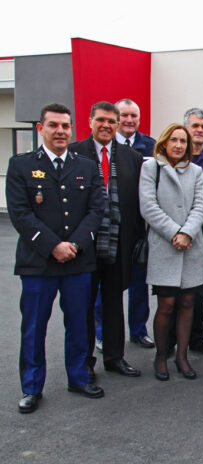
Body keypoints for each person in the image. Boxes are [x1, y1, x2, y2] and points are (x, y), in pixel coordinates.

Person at [7, 103, 106, 413]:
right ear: (41, 129)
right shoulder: (21, 165)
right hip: (38, 263)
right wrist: (53, 246)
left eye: (65, 126)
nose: (60, 131)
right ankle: (32, 387)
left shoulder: (87, 167)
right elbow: (20, 214)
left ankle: (78, 377)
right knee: (34, 327)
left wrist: (73, 244)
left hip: (77, 261)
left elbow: (96, 211)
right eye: (53, 125)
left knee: (78, 324)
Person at [69, 101, 144, 380]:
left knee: (113, 303)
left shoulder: (131, 158)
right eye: (100, 120)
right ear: (89, 121)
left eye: (111, 121)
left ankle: (115, 358)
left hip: (117, 244)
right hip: (83, 246)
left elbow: (137, 204)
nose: (106, 125)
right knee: (84, 306)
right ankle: (85, 361)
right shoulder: (74, 153)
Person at [139, 123, 203, 380]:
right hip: (165, 246)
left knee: (188, 302)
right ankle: (161, 355)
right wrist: (174, 233)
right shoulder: (150, 168)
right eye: (174, 140)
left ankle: (182, 356)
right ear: (164, 143)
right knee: (166, 305)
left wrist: (187, 232)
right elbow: (148, 206)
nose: (178, 145)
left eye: (183, 141)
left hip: (191, 246)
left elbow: (200, 205)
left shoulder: (196, 171)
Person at [166, 108, 203, 357]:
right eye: (195, 126)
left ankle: (196, 338)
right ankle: (168, 341)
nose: (199, 130)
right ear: (185, 129)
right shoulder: (170, 162)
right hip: (173, 236)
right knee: (171, 293)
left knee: (196, 292)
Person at [111, 98, 155, 349]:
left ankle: (138, 330)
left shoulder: (150, 146)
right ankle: (104, 332)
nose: (129, 120)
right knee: (108, 285)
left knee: (139, 283)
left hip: (140, 226)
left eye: (133, 116)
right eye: (124, 115)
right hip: (113, 225)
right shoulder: (104, 145)